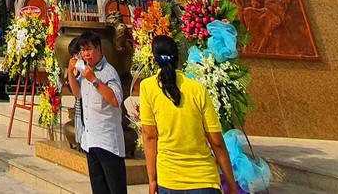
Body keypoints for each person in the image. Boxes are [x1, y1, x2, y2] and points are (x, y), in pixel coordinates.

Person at [139, 35, 236, 194]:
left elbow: (149, 136)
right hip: (204, 180)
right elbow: (216, 141)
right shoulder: (197, 89)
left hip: (169, 180)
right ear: (178, 57)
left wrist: (152, 180)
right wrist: (231, 183)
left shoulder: (147, 88)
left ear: (155, 59)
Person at [66, 30, 127, 194]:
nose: (86, 54)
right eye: (83, 50)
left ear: (99, 49)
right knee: (99, 188)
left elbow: (115, 100)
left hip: (108, 141)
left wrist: (94, 80)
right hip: (91, 140)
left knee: (115, 188)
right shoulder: (85, 70)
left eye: (89, 49)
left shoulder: (108, 72)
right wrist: (70, 73)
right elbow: (78, 94)